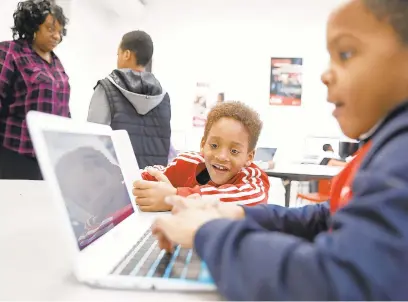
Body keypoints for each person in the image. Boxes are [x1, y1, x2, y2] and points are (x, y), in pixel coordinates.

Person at [151, 0, 408, 300]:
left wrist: (207, 232)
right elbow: (328, 218)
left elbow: (337, 282)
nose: (325, 75)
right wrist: (239, 216)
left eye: (346, 54)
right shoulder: (388, 143)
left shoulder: (401, 153)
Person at [132, 101, 270, 212]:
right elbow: (151, 176)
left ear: (249, 157)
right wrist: (139, 181)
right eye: (214, 146)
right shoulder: (187, 162)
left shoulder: (253, 179)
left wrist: (174, 198)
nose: (221, 156)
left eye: (234, 151)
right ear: (203, 144)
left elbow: (250, 202)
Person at [0, 0, 70, 180]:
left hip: (49, 157)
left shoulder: (56, 62)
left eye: (60, 32)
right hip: (15, 154)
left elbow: (64, 108)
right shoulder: (10, 52)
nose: (56, 36)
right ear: (33, 26)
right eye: (50, 29)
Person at [87, 30, 171, 169]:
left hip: (114, 183)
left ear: (126, 54)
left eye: (118, 54)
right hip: (152, 184)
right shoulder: (164, 98)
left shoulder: (107, 88)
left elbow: (93, 142)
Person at [55, 146, 132, 249]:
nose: (98, 197)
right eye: (86, 198)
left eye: (100, 182)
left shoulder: (142, 190)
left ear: (117, 172)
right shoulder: (94, 232)